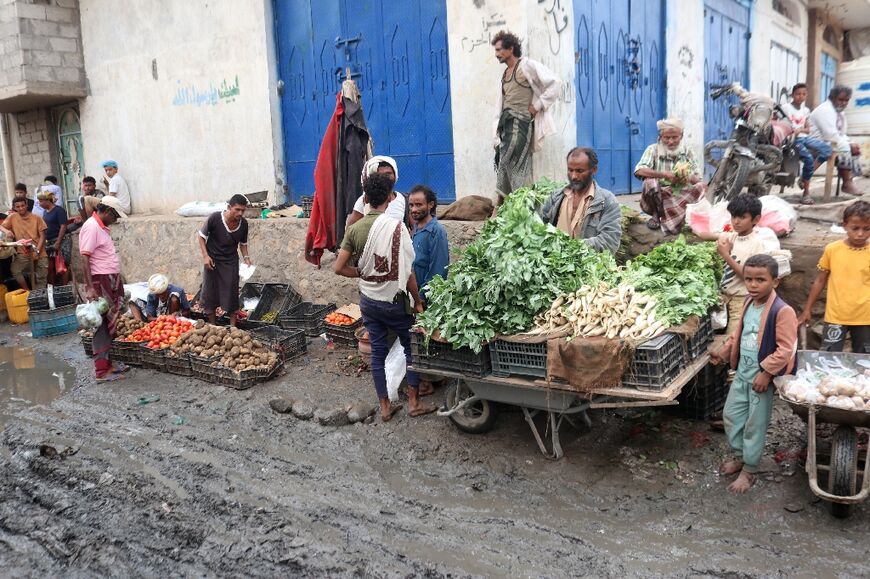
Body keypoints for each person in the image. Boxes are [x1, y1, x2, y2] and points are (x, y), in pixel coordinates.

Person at [333, 172, 437, 422]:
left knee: (377, 353)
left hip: (369, 301)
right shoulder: (398, 227)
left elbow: (338, 268)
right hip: (396, 302)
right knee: (410, 350)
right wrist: (418, 300)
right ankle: (413, 403)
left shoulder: (354, 229)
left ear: (366, 198)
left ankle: (385, 407)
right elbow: (408, 271)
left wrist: (361, 273)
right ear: (391, 198)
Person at [710, 254, 797, 493]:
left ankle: (749, 470)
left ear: (775, 282)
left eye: (760, 280)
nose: (753, 285)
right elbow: (740, 334)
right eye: (748, 279)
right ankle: (740, 456)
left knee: (754, 424)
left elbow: (786, 348)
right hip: (742, 374)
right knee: (731, 415)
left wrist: (766, 373)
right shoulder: (749, 302)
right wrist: (726, 351)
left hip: (760, 379)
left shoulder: (782, 311)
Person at [696, 193, 781, 337]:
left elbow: (748, 275)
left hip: (740, 301)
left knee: (732, 339)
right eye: (733, 216)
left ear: (756, 219)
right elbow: (705, 235)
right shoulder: (732, 236)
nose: (736, 222)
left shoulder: (756, 244)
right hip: (723, 299)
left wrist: (725, 255)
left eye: (742, 217)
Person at [491, 30, 561, 202]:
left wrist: (537, 106)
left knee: (510, 162)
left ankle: (503, 206)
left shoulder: (527, 66)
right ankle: (517, 204)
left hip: (521, 125)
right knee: (505, 161)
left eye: (499, 50)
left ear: (510, 48)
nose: (496, 54)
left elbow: (555, 83)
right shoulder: (505, 73)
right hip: (506, 126)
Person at [798, 201, 870, 353]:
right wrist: (807, 309)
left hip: (866, 316)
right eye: (855, 228)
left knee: (864, 360)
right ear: (844, 225)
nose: (860, 234)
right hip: (836, 316)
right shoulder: (833, 250)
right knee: (829, 357)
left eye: (866, 229)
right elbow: (820, 280)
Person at [79, 196, 129, 382]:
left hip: (109, 278)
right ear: (107, 212)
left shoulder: (100, 227)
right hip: (100, 281)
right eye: (115, 216)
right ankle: (101, 370)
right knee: (101, 324)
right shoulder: (91, 226)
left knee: (109, 324)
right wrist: (90, 287)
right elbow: (85, 258)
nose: (116, 220)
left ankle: (108, 363)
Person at [408, 184, 450, 397]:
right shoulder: (416, 228)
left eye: (419, 205)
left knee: (429, 339)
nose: (414, 209)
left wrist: (422, 298)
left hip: (428, 297)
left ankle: (428, 382)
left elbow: (439, 269)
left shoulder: (437, 231)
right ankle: (433, 378)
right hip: (417, 295)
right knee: (423, 339)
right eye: (411, 205)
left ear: (431, 205)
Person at [539, 147, 622, 254]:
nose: (574, 176)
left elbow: (610, 241)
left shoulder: (607, 201)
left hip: (588, 267)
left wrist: (572, 248)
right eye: (570, 170)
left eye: (579, 171)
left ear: (594, 170)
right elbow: (540, 228)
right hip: (554, 263)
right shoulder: (556, 197)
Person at [634, 118, 706, 233]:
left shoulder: (688, 151)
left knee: (701, 187)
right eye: (667, 138)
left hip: (680, 196)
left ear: (681, 136)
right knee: (649, 182)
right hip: (660, 196)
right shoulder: (653, 149)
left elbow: (698, 179)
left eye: (674, 137)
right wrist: (665, 175)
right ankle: (656, 215)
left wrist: (688, 177)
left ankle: (685, 218)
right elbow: (639, 170)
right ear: (660, 136)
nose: (671, 141)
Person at [198, 194, 252, 327]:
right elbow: (201, 237)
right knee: (210, 291)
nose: (240, 213)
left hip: (231, 261)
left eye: (243, 210)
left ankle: (233, 327)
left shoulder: (243, 224)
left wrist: (246, 258)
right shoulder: (215, 218)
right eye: (237, 210)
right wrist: (206, 256)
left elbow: (243, 243)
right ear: (229, 207)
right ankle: (213, 326)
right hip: (213, 260)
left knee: (232, 292)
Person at [780, 83, 832, 204]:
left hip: (804, 138)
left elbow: (808, 129)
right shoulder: (786, 108)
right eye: (798, 94)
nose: (800, 96)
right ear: (792, 95)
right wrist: (792, 131)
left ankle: (804, 177)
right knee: (808, 158)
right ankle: (806, 193)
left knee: (827, 150)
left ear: (806, 95)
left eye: (803, 94)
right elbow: (779, 123)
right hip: (792, 140)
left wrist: (800, 130)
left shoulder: (806, 110)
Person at [809, 86, 861, 196]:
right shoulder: (825, 110)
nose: (843, 103)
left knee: (852, 148)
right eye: (841, 99)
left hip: (828, 143)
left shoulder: (839, 112)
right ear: (832, 98)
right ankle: (847, 184)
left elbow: (841, 134)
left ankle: (849, 181)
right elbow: (830, 135)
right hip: (813, 144)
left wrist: (851, 143)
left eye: (846, 100)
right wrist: (848, 145)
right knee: (844, 149)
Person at [0, 197, 48, 290]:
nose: (21, 208)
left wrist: (37, 251)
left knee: (41, 278)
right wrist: (7, 231)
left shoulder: (37, 218)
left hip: (39, 251)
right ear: (14, 208)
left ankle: (39, 298)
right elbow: (1, 227)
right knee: (15, 270)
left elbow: (43, 236)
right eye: (18, 206)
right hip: (23, 253)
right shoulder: (12, 217)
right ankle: (27, 291)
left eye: (23, 205)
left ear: (26, 205)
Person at [346, 156, 407, 228]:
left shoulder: (402, 198)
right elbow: (350, 228)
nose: (385, 177)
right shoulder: (364, 200)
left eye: (388, 173)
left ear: (395, 175)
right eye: (381, 174)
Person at [37, 190, 70, 286]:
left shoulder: (59, 210)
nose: (40, 203)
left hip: (61, 241)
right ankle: (52, 288)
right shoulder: (45, 212)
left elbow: (63, 226)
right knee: (50, 267)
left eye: (41, 201)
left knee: (63, 266)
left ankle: (64, 288)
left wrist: (58, 242)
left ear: (48, 200)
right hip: (50, 241)